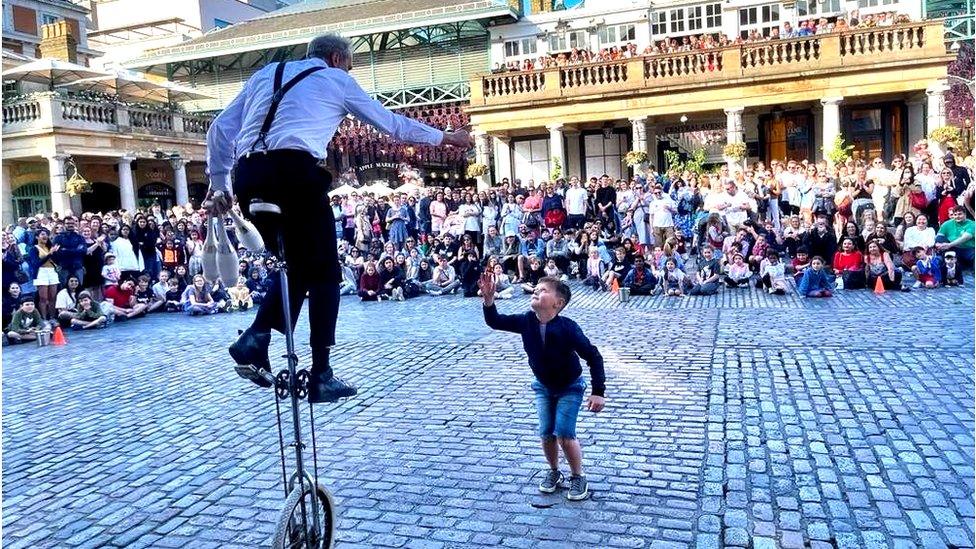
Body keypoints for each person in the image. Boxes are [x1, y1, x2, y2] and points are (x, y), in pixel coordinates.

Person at [209, 33, 470, 403]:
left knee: (297, 265)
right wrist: (446, 138)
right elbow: (391, 124)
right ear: (335, 58)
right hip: (294, 173)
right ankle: (320, 373)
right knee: (327, 273)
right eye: (350, 64)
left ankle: (257, 336)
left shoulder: (265, 74)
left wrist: (219, 185)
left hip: (249, 176)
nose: (350, 71)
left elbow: (220, 128)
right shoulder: (336, 79)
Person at [478, 274, 605, 501]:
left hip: (570, 386)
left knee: (565, 434)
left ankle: (578, 475)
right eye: (536, 288)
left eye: (543, 290)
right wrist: (489, 301)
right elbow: (495, 321)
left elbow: (593, 356)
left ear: (558, 303)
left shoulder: (568, 328)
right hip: (543, 386)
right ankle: (554, 472)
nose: (536, 291)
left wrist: (598, 392)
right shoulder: (526, 320)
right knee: (546, 433)